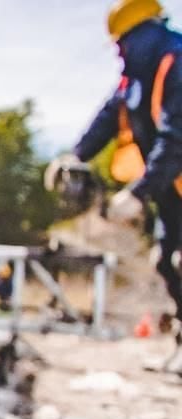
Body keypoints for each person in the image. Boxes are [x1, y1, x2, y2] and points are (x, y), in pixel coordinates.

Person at [50, 0, 182, 351]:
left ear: (140, 35)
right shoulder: (135, 78)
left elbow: (176, 138)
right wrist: (75, 155)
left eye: (121, 45)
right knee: (167, 260)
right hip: (172, 189)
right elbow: (108, 117)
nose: (119, 55)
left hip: (169, 178)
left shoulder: (176, 62)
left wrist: (138, 193)